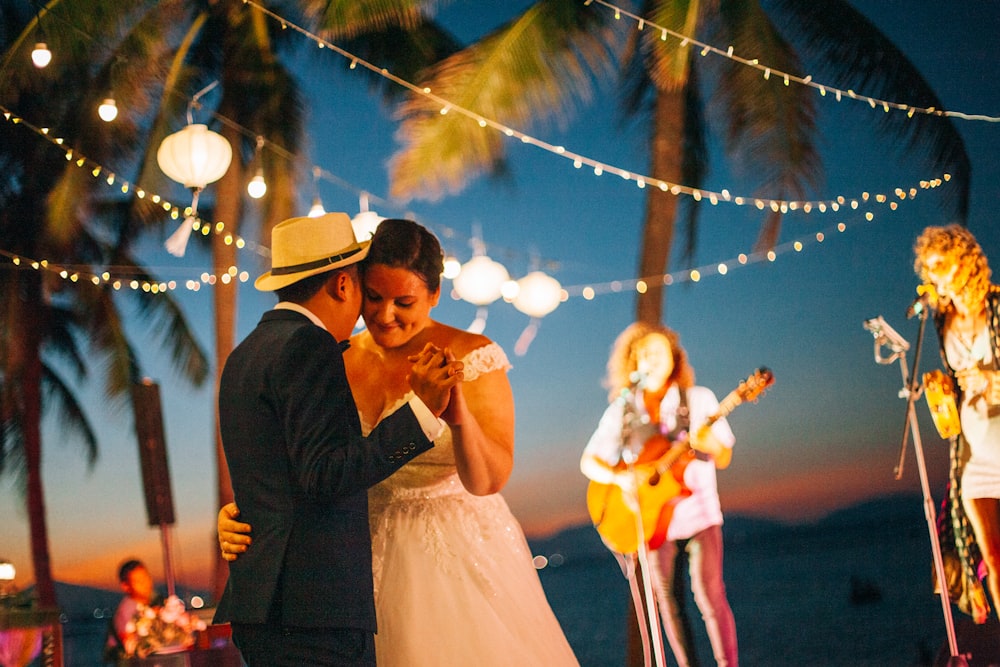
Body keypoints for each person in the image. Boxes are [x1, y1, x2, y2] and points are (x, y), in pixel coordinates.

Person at [219, 218, 578, 665]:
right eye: (374, 297)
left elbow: (489, 481)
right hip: (350, 563)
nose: (385, 315)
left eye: (404, 301)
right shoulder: (334, 356)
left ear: (434, 295)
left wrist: (461, 420)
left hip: (455, 556)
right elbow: (306, 458)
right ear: (351, 286)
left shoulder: (471, 354)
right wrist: (243, 512)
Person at [212, 212, 462, 667]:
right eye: (367, 292)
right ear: (344, 285)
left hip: (261, 607)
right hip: (316, 612)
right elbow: (324, 475)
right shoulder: (310, 346)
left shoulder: (244, 356)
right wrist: (421, 411)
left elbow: (273, 471)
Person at [581, 323, 738, 666]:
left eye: (659, 351)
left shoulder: (698, 399)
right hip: (652, 524)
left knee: (710, 594)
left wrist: (706, 442)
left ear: (674, 359)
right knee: (668, 604)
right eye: (645, 353)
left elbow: (723, 455)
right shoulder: (622, 410)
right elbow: (589, 462)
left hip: (699, 515)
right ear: (633, 362)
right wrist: (621, 479)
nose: (652, 358)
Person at [913, 223, 999, 623]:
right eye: (928, 268)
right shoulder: (940, 322)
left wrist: (991, 378)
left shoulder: (996, 307)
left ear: (965, 262)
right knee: (994, 560)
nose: (933, 274)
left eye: (940, 263)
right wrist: (944, 389)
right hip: (975, 453)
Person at [104, 559, 157, 662]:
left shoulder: (152, 603)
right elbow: (130, 644)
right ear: (126, 586)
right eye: (138, 581)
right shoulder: (127, 610)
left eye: (146, 577)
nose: (145, 584)